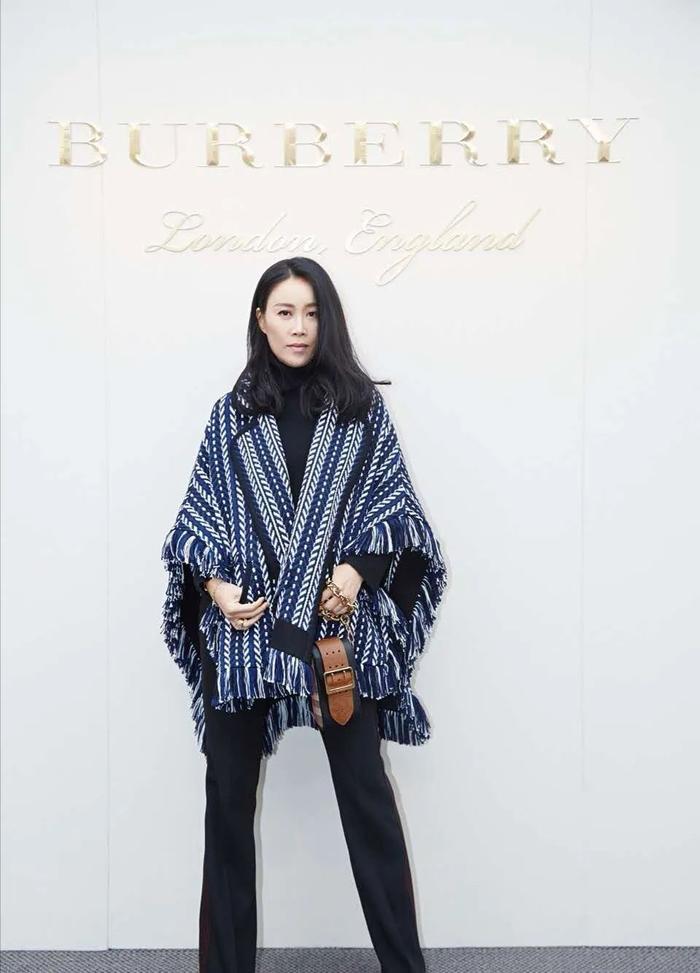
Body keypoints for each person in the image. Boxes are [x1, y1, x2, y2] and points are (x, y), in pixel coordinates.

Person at [160, 257, 448, 973]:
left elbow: (398, 513)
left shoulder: (359, 411)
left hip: (334, 636)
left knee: (368, 803)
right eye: (285, 312)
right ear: (260, 319)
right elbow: (198, 519)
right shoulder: (231, 415)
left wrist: (356, 570)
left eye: (312, 312)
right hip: (245, 640)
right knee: (227, 810)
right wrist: (217, 589)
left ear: (329, 319)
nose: (299, 327)